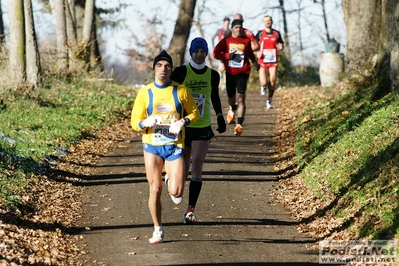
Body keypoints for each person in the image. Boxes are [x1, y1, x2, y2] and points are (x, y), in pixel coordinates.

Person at [130, 50, 200, 243]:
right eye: (159, 65)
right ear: (154, 69)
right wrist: (144, 123)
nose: (163, 69)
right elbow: (134, 120)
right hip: (152, 145)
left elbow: (195, 113)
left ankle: (171, 179)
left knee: (176, 192)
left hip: (174, 145)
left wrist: (182, 122)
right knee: (155, 188)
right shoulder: (145, 92)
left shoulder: (181, 90)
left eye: (167, 66)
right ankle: (157, 228)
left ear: (171, 69)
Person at [171, 37, 226, 224]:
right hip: (183, 126)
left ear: (206, 52)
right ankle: (172, 178)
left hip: (202, 126)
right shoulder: (180, 72)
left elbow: (214, 96)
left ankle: (190, 210)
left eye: (203, 51)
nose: (200, 54)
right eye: (196, 51)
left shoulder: (213, 75)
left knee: (197, 167)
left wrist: (220, 116)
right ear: (191, 53)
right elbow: (171, 95)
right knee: (183, 169)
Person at [213, 19, 258, 136]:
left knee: (241, 99)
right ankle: (232, 108)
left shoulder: (246, 41)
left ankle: (239, 125)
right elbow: (215, 53)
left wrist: (255, 62)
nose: (238, 29)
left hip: (243, 72)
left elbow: (249, 53)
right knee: (231, 99)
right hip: (230, 73)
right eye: (236, 27)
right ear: (232, 29)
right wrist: (228, 55)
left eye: (240, 27)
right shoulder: (226, 41)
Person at [256, 15, 284, 109]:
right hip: (263, 61)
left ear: (272, 21)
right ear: (263, 22)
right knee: (264, 82)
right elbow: (254, 45)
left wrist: (281, 47)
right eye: (266, 21)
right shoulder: (260, 33)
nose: (268, 22)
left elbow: (281, 44)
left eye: (269, 20)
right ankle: (263, 86)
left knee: (272, 81)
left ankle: (269, 100)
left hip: (273, 61)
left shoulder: (277, 33)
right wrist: (257, 52)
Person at [212, 17, 230, 91]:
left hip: (228, 52)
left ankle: (224, 84)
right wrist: (214, 47)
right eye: (226, 23)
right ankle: (220, 81)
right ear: (224, 23)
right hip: (220, 52)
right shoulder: (219, 31)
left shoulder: (230, 31)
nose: (227, 24)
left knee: (226, 68)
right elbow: (212, 38)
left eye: (228, 23)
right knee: (222, 68)